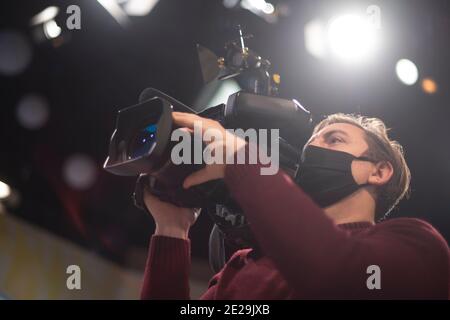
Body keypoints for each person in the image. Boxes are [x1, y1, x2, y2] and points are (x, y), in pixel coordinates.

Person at [140, 112, 449, 299]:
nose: (313, 148)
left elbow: (338, 276)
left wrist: (242, 159)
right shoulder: (245, 263)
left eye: (334, 140)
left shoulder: (418, 246)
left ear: (378, 171)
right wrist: (172, 230)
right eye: (310, 144)